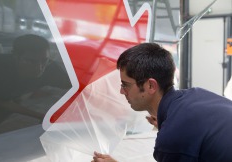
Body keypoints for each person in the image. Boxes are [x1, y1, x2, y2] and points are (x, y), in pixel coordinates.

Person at [92, 43, 232, 162]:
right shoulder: (196, 95)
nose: (122, 91)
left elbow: (179, 138)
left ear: (151, 86)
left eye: (126, 85)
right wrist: (168, 123)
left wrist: (172, 128)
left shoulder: (173, 137)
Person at [0, 34, 71, 135]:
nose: (39, 68)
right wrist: (43, 116)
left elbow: (78, 88)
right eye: (31, 61)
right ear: (16, 56)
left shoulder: (50, 68)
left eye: (44, 61)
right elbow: (3, 102)